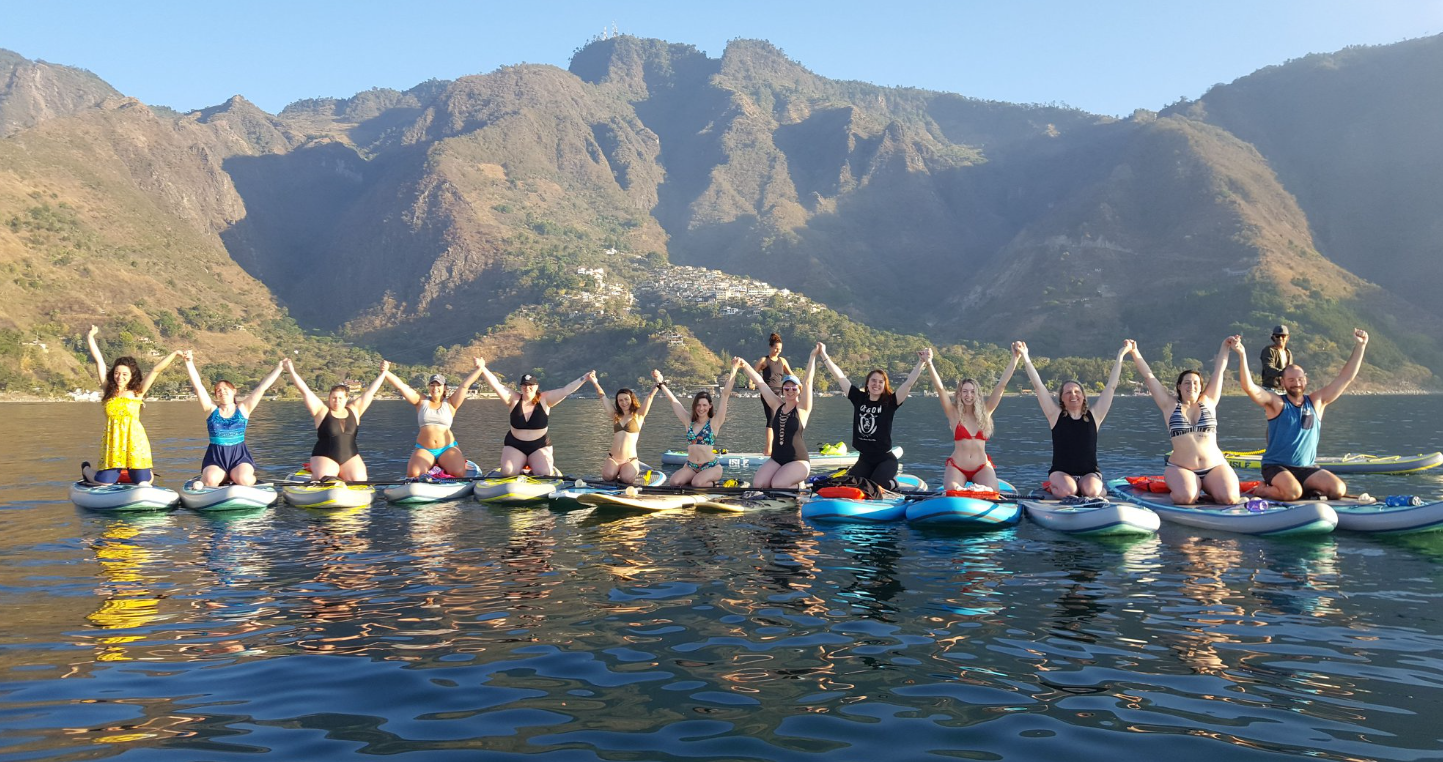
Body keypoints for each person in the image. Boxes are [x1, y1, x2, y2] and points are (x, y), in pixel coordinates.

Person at [1233, 329, 1369, 501]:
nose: (1296, 383)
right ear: (1282, 382)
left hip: (1306, 468)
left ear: (1305, 380)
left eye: (1299, 379)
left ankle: (1304, 489)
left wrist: (1361, 346)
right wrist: (1242, 355)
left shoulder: (1317, 401)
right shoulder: (1276, 403)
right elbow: (1249, 387)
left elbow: (1345, 378)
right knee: (1292, 493)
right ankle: (1262, 490)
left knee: (1338, 490)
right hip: (1276, 467)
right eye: (1291, 380)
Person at [1127, 338, 1240, 505]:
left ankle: (1208, 493)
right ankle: (1189, 491)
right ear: (1179, 386)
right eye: (1187, 383)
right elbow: (1149, 376)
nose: (1191, 386)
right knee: (1185, 498)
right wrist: (1134, 351)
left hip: (1215, 466)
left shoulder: (1209, 401)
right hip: (1181, 467)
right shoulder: (1169, 404)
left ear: (1201, 387)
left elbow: (1219, 370)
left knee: (1230, 498)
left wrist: (1225, 346)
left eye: (1195, 383)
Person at [1019, 341, 1128, 498]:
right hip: (1061, 472)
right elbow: (1038, 386)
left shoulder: (1095, 416)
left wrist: (1120, 356)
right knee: (1068, 491)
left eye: (1077, 391)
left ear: (1083, 396)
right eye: (1068, 392)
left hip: (1089, 473)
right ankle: (1054, 487)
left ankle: (1099, 489)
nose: (1073, 395)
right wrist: (1025, 356)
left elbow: (1111, 386)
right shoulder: (1054, 416)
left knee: (1092, 492)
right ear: (1062, 398)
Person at [818, 342, 927, 489]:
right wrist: (823, 355)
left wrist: (921, 362)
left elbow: (908, 383)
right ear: (868, 383)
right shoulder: (858, 398)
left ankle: (893, 483)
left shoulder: (890, 402)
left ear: (884, 385)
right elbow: (840, 377)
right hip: (864, 460)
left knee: (874, 486)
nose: (877, 384)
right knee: (849, 485)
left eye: (881, 382)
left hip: (885, 460)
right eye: (873, 381)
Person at [82, 326, 181, 486]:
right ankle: (86, 470)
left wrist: (174, 354)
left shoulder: (138, 392)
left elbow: (156, 370)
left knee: (143, 482)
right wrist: (90, 337)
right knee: (105, 482)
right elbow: (99, 361)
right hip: (113, 441)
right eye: (117, 373)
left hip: (135, 440)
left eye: (124, 374)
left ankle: (146, 472)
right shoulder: (108, 390)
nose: (119, 377)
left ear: (131, 376)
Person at [925, 343, 1022, 491]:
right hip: (957, 467)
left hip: (981, 467)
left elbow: (1001, 385)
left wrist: (1015, 358)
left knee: (992, 491)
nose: (968, 395)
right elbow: (940, 388)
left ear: (977, 394)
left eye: (972, 392)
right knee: (953, 491)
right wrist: (929, 363)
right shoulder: (953, 413)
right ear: (959, 393)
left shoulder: (986, 411)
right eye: (965, 391)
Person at [181, 351, 286, 486]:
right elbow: (198, 387)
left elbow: (261, 388)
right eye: (218, 390)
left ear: (234, 391)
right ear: (216, 395)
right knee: (210, 480)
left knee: (244, 479)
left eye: (225, 389)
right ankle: (221, 478)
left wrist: (279, 368)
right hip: (216, 458)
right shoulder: (211, 410)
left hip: (239, 457)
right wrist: (189, 362)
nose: (222, 392)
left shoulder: (243, 409)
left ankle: (244, 480)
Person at [476, 361, 595, 477]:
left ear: (536, 386)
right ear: (521, 386)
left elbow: (566, 390)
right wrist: (482, 368)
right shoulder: (513, 399)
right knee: (508, 472)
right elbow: (496, 385)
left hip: (539, 445)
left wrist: (584, 378)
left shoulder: (545, 399)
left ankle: (531, 467)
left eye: (530, 385)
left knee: (544, 473)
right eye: (524, 385)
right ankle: (521, 466)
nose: (527, 388)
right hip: (515, 445)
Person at [284, 357, 389, 481]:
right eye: (333, 398)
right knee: (327, 478)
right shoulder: (321, 411)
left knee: (359, 479)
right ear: (329, 398)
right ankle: (315, 473)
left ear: (346, 398)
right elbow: (305, 391)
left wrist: (384, 373)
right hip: (325, 456)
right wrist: (291, 371)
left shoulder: (355, 410)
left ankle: (341, 473)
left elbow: (370, 392)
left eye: (340, 398)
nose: (337, 401)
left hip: (350, 457)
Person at [382, 360, 487, 479]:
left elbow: (464, 386)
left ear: (445, 387)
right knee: (414, 474)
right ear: (429, 387)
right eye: (432, 385)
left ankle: (443, 465)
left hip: (447, 448)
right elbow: (402, 386)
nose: (435, 388)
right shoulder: (421, 401)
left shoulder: (451, 403)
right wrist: (386, 372)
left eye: (438, 385)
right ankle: (435, 466)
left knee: (458, 473)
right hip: (424, 449)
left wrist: (479, 368)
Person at [738, 344, 818, 489]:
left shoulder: (802, 409)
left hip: (798, 461)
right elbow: (761, 383)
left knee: (778, 485)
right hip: (777, 459)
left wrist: (812, 357)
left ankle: (799, 486)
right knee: (759, 484)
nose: (790, 390)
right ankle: (789, 483)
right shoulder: (777, 405)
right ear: (782, 390)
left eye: (794, 388)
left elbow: (807, 382)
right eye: (786, 388)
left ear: (798, 390)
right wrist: (745, 366)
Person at [657, 360, 741, 488]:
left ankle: (715, 484)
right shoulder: (688, 421)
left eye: (704, 405)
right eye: (698, 405)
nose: (701, 408)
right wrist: (660, 383)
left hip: (711, 467)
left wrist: (734, 369)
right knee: (675, 482)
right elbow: (673, 401)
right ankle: (693, 482)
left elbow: (725, 394)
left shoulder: (714, 422)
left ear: (710, 406)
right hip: (691, 467)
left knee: (697, 483)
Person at [588, 372, 660, 484]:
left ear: (631, 399)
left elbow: (650, 396)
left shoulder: (639, 415)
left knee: (626, 479)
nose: (624, 402)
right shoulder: (615, 415)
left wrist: (658, 382)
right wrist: (595, 382)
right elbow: (602, 397)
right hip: (613, 458)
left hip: (629, 459)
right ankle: (617, 472)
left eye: (626, 399)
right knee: (607, 476)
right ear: (617, 402)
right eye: (620, 400)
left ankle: (630, 470)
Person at [752, 333, 793, 456]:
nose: (778, 351)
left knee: (780, 419)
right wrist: (751, 383)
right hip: (767, 393)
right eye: (776, 348)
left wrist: (799, 384)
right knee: (771, 418)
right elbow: (753, 374)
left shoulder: (782, 361)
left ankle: (779, 446)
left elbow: (791, 374)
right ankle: (768, 449)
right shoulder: (764, 360)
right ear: (770, 347)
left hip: (779, 393)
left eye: (780, 349)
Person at [1260, 325, 1293, 391]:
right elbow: (1268, 368)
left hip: (1284, 389)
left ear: (1288, 337)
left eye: (1283, 336)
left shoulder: (1288, 353)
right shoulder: (1269, 350)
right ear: (1273, 337)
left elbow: (1290, 369)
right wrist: (1283, 373)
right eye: (1277, 336)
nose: (1280, 338)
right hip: (1270, 388)